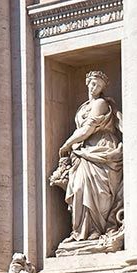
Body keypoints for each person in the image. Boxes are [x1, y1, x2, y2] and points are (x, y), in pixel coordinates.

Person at [50, 70, 124, 252]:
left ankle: (96, 231)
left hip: (102, 148)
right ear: (86, 83)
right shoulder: (83, 107)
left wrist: (67, 144)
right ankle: (81, 232)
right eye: (92, 84)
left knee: (99, 192)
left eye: (98, 86)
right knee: (79, 188)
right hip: (84, 151)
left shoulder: (101, 104)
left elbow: (87, 129)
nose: (94, 88)